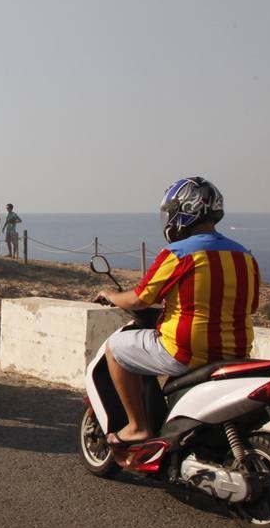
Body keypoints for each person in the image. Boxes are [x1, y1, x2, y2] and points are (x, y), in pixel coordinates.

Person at [93, 177, 259, 446]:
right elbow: (251, 306)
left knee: (115, 348)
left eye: (171, 213)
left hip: (186, 350)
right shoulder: (244, 255)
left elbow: (139, 299)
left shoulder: (178, 253)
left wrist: (111, 296)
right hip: (236, 351)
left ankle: (137, 427)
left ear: (185, 212)